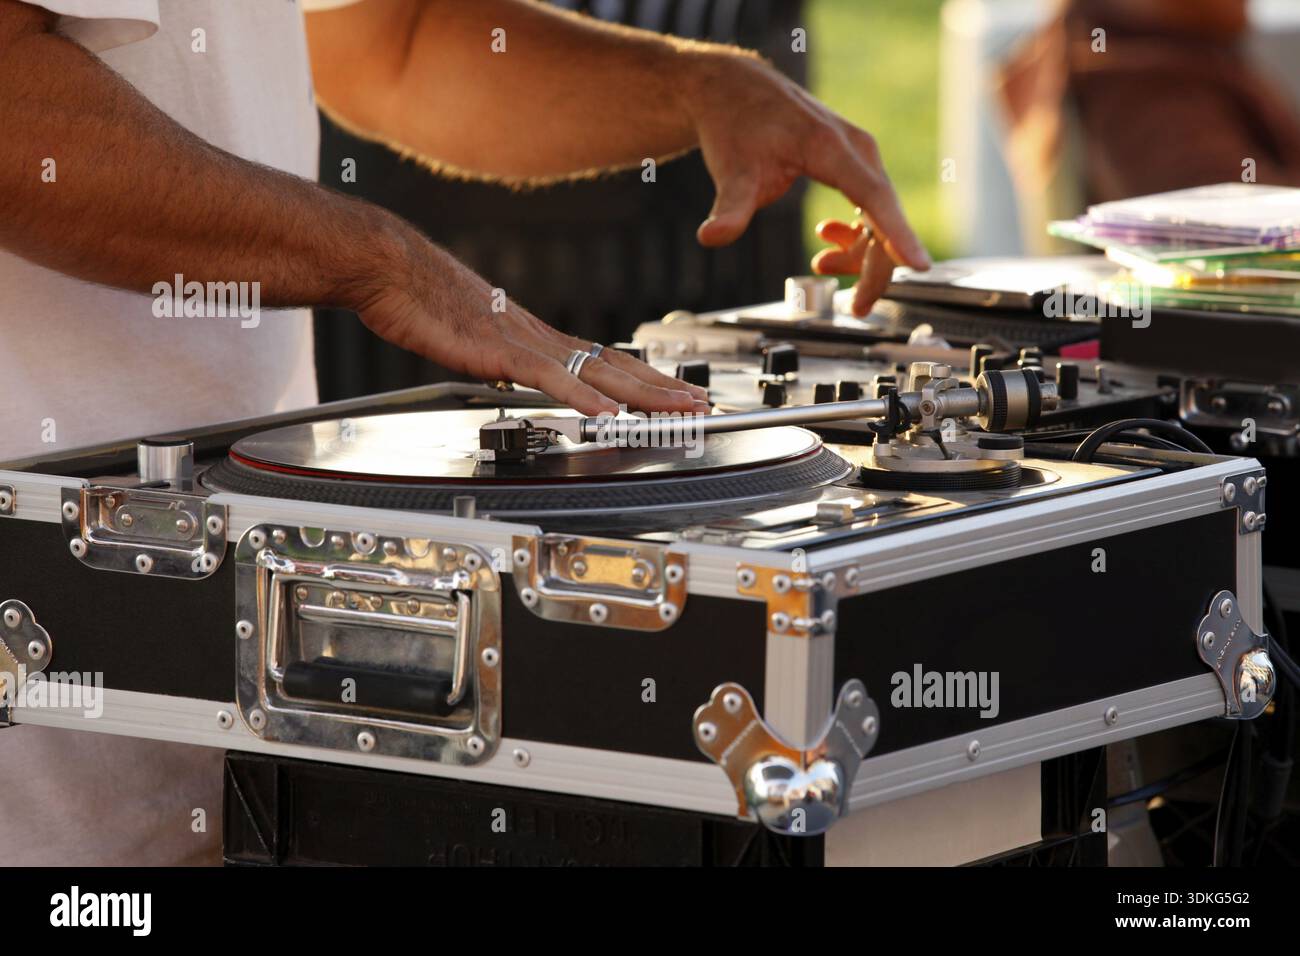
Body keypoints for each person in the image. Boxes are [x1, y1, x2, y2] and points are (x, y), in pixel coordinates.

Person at [0, 0, 928, 865]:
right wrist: (389, 264)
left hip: (253, 740)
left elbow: (390, 46)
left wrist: (698, 86)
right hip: (40, 745)